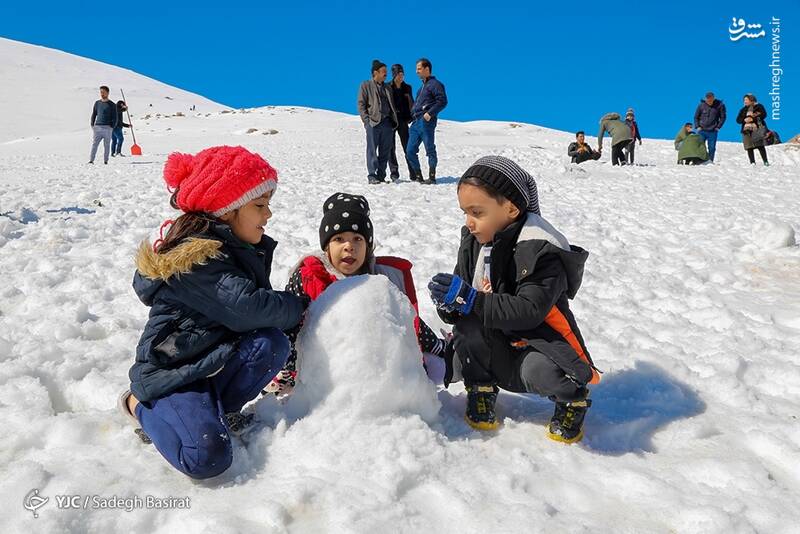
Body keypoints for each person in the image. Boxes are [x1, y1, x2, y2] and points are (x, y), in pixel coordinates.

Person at [118, 146, 307, 479]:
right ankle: (139, 406)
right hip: (174, 377)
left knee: (270, 343)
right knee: (208, 458)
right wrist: (302, 304)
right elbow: (248, 308)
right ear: (225, 210)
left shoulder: (233, 249)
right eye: (260, 206)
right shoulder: (198, 259)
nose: (268, 215)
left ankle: (217, 410)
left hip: (207, 364)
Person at [428, 155, 599, 443]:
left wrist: (470, 300)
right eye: (465, 213)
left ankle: (572, 398)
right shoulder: (474, 244)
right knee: (467, 331)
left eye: (477, 212)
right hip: (496, 346)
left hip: (537, 345)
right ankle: (481, 388)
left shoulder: (541, 250)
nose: (469, 223)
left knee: (541, 371)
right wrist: (450, 305)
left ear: (510, 207)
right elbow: (465, 302)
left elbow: (529, 310)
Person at [268, 192, 448, 397]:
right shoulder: (310, 278)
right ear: (327, 246)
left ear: (368, 246)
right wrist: (288, 367)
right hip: (323, 368)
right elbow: (290, 325)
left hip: (375, 367)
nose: (349, 246)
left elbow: (406, 320)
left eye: (357, 239)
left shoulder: (379, 278)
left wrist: (436, 346)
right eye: (339, 239)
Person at [357, 60, 399, 185]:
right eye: (384, 71)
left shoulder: (387, 88)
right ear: (376, 72)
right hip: (373, 123)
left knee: (385, 151)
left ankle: (381, 175)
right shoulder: (366, 85)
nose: (386, 74)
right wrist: (366, 121)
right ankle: (372, 175)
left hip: (387, 123)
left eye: (386, 71)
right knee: (372, 150)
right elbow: (361, 104)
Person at [407, 58, 448, 185]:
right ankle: (418, 176)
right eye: (416, 69)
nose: (416, 71)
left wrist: (429, 114)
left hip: (426, 121)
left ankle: (432, 176)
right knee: (409, 150)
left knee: (429, 148)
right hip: (415, 122)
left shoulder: (435, 84)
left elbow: (442, 101)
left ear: (427, 69)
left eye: (419, 68)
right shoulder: (421, 88)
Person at [388, 64, 416, 181]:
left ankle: (413, 172)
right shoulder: (388, 87)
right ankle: (394, 173)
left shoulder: (407, 87)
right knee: (391, 148)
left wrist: (412, 115)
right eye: (399, 74)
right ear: (394, 75)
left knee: (408, 147)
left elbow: (411, 102)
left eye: (402, 74)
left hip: (403, 120)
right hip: (391, 120)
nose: (401, 76)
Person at [735, 94, 770, 166]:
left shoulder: (759, 106)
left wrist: (752, 118)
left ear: (752, 100)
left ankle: (765, 161)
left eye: (746, 100)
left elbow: (764, 114)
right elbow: (738, 120)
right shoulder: (743, 109)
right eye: (744, 100)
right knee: (749, 146)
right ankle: (752, 162)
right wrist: (744, 120)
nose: (745, 101)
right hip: (746, 130)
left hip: (757, 128)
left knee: (760, 145)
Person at [693, 91, 726, 162]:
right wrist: (697, 126)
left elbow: (723, 117)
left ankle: (710, 161)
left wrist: (718, 127)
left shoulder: (720, 105)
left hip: (713, 131)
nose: (709, 102)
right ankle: (699, 160)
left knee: (712, 147)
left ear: (714, 98)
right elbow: (696, 117)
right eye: (708, 100)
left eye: (711, 100)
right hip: (702, 130)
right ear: (705, 99)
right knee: (700, 146)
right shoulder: (701, 105)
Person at [89, 85, 118, 164]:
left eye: (103, 92)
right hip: (97, 127)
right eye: (101, 92)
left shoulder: (112, 104)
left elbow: (115, 117)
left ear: (108, 93)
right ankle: (91, 160)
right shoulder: (97, 103)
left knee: (107, 145)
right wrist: (92, 124)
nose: (102, 94)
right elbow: (94, 114)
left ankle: (105, 161)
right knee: (94, 144)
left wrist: (112, 127)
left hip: (107, 128)